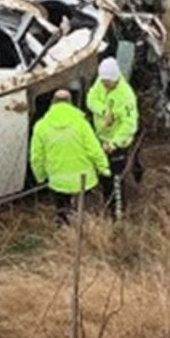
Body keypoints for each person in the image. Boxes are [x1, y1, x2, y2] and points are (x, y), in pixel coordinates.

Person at [30, 89, 110, 224]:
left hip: (58, 182)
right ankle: (89, 238)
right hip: (85, 180)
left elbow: (36, 157)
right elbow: (94, 149)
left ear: (52, 103)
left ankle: (65, 237)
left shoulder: (41, 126)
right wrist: (104, 168)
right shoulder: (81, 124)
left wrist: (40, 176)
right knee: (87, 217)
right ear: (71, 103)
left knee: (63, 216)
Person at [86, 57, 139, 216]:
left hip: (117, 143)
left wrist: (114, 144)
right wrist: (104, 111)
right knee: (104, 175)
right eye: (102, 81)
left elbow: (129, 125)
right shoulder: (100, 83)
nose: (104, 85)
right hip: (102, 138)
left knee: (116, 179)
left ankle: (118, 213)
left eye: (107, 82)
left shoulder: (126, 96)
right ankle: (106, 204)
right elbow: (91, 99)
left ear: (115, 79)